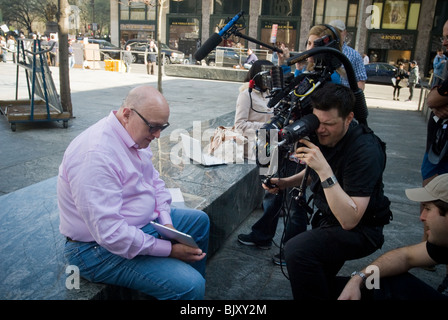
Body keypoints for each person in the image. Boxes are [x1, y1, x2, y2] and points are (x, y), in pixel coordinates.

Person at [58, 85, 210, 300]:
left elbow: (155, 182)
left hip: (140, 225)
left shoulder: (134, 135)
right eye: (153, 127)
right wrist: (169, 249)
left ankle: (181, 291)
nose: (157, 135)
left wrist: (166, 223)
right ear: (127, 114)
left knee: (199, 221)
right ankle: (187, 291)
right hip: (95, 250)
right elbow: (110, 233)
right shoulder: (96, 155)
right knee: (190, 286)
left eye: (163, 127)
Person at [265, 82, 392, 299]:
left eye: (329, 124)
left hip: (362, 229)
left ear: (349, 118)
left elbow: (350, 220)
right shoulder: (325, 135)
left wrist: (323, 168)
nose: (321, 129)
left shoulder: (365, 150)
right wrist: (285, 182)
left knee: (297, 251)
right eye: (318, 122)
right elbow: (315, 174)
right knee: (316, 276)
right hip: (329, 217)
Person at [235, 60, 308, 266]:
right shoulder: (246, 95)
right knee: (271, 193)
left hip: (290, 145)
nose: (270, 80)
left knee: (295, 201)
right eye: (266, 75)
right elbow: (239, 125)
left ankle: (292, 251)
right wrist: (269, 127)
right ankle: (262, 236)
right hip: (268, 144)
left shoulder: (282, 92)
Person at [338, 174, 448, 300]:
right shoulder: (442, 243)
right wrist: (358, 278)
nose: (422, 217)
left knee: (398, 285)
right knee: (382, 277)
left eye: (428, 209)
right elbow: (405, 256)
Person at [420, 19, 448, 296]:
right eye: (443, 36)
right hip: (436, 149)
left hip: (442, 157)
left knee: (439, 203)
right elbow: (432, 98)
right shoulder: (444, 64)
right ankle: (430, 251)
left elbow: (432, 101)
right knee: (431, 199)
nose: (445, 42)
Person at [329, 20, 367, 90]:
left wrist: (353, 98)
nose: (335, 34)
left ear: (345, 33)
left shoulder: (354, 55)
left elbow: (360, 81)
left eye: (339, 31)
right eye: (332, 31)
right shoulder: (322, 52)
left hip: (344, 98)